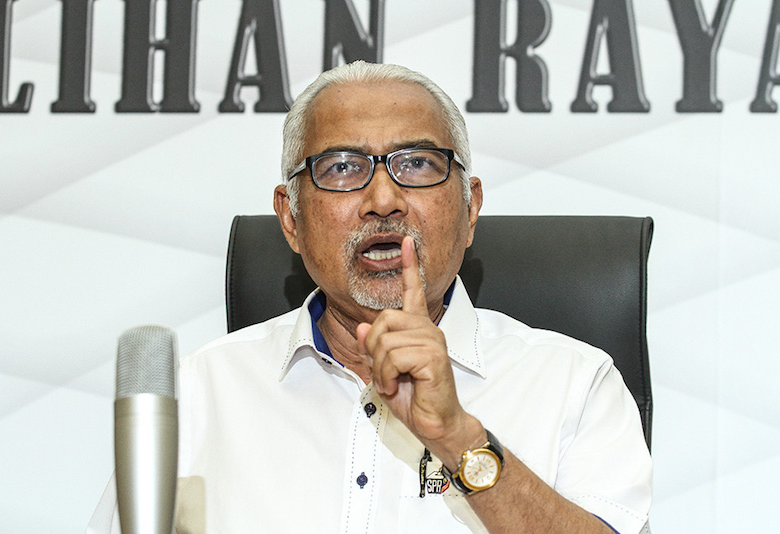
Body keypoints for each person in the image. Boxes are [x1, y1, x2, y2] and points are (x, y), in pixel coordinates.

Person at [88, 61, 651, 533]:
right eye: (342, 168)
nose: (383, 199)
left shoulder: (575, 383)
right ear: (290, 218)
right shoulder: (198, 396)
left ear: (471, 207)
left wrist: (457, 436)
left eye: (418, 164)